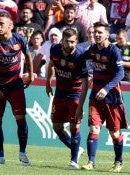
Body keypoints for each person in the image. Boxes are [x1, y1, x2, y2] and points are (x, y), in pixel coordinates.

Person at [0, 12, 34, 166]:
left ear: (10, 26)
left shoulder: (19, 39)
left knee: (21, 119)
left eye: (1, 24)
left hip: (15, 85)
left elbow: (29, 57)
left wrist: (31, 76)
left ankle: (22, 153)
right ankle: (0, 157)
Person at [81, 22, 128, 173]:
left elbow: (120, 73)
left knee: (114, 133)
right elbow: (81, 58)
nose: (97, 35)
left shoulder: (114, 51)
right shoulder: (93, 49)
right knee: (94, 127)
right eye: (95, 32)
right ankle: (90, 162)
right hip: (95, 95)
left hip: (112, 97)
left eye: (100, 32)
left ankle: (118, 161)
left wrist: (106, 88)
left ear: (107, 34)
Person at [46, 28, 88, 169]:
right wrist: (48, 82)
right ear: (62, 40)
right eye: (66, 41)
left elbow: (85, 82)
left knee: (74, 126)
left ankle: (74, 161)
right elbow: (51, 65)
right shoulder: (54, 49)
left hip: (75, 94)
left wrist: (81, 105)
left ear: (76, 41)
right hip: (60, 93)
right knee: (57, 127)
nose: (69, 44)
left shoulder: (81, 56)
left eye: (72, 42)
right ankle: (77, 148)